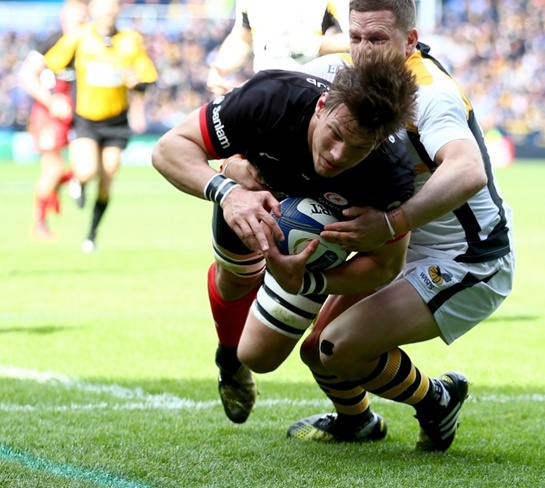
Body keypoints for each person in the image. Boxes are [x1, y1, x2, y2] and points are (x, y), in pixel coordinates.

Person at [270, 0, 513, 452]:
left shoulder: (430, 93)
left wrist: (391, 222)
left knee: (337, 348)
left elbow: (468, 170)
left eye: (378, 40)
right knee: (316, 350)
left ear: (410, 41)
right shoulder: (351, 79)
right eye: (356, 38)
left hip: (467, 259)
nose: (364, 52)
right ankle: (357, 422)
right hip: (399, 247)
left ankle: (437, 400)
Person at [152, 49, 418, 431]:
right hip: (247, 195)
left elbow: (386, 266)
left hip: (312, 248)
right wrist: (228, 190)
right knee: (235, 282)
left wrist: (311, 281)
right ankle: (228, 361)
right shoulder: (271, 96)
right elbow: (168, 149)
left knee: (260, 356)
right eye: (336, 134)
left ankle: (385, 410)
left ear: (376, 143)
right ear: (322, 105)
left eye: (358, 147)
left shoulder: (391, 174)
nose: (338, 155)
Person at [44, 0, 158, 252]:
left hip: (116, 121)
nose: (108, 9)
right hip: (85, 118)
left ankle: (91, 234)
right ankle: (79, 182)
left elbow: (147, 77)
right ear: (92, 9)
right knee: (86, 171)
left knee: (107, 178)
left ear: (119, 9)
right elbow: (53, 63)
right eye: (102, 4)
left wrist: (135, 82)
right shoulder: (79, 36)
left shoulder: (131, 39)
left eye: (113, 4)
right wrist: (58, 94)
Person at [18, 0, 89, 241]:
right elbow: (27, 76)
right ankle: (39, 223)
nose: (78, 15)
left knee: (87, 166)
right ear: (63, 14)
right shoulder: (51, 41)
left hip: (80, 114)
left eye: (82, 10)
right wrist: (51, 102)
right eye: (73, 10)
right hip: (49, 116)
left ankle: (58, 188)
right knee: (54, 168)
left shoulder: (91, 42)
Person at [206, 0, 350, 97]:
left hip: (317, 95)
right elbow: (243, 36)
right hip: (266, 91)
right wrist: (218, 70)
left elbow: (359, 39)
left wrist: (314, 44)